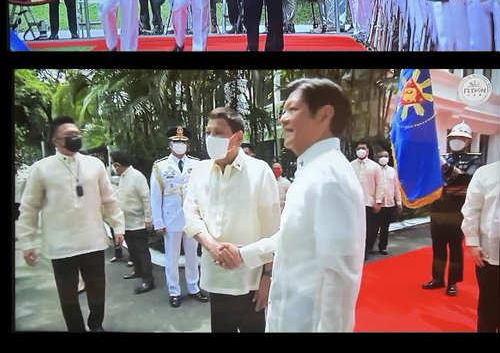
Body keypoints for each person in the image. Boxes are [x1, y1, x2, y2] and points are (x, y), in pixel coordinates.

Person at [218, 78, 366, 332]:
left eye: (292, 110)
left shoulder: (330, 177)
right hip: (289, 315)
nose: (282, 119)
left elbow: (340, 279)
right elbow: (292, 238)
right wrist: (244, 255)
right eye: (283, 111)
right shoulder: (311, 170)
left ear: (324, 115)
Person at [17, 115, 125, 333]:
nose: (75, 138)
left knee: (97, 289)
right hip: (61, 246)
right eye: (69, 136)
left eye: (77, 134)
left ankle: (96, 323)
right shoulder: (41, 169)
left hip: (92, 241)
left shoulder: (94, 165)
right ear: (55, 141)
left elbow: (109, 199)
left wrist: (118, 226)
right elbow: (29, 208)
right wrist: (27, 241)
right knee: (68, 295)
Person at [183, 106, 280, 332]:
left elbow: (273, 231)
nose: (211, 138)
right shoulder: (199, 170)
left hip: (249, 279)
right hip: (214, 275)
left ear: (237, 138)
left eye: (218, 133)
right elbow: (190, 212)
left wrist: (267, 276)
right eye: (208, 132)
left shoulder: (259, 172)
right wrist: (211, 245)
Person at [423, 121, 483, 296]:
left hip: (457, 211)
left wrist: (445, 167)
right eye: (453, 138)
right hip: (438, 209)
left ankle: (453, 282)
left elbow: (464, 179)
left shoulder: (475, 160)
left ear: (468, 141)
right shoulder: (444, 158)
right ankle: (438, 278)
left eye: (460, 138)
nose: (456, 141)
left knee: (455, 247)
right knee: (438, 246)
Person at [150, 125, 208, 307]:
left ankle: (194, 288)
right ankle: (174, 291)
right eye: (176, 142)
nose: (180, 145)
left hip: (192, 218)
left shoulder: (197, 164)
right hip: (170, 218)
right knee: (172, 257)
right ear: (170, 144)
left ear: (188, 145)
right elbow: (155, 195)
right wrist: (158, 221)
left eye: (183, 142)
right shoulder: (160, 166)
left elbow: (203, 193)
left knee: (192, 255)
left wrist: (204, 217)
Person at [461, 160, 500, 332]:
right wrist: (472, 240)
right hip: (490, 253)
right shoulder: (486, 172)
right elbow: (472, 209)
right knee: (488, 306)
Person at [110, 151, 155, 295]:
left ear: (118, 165)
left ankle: (148, 279)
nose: (113, 167)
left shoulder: (136, 176)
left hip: (138, 222)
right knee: (132, 249)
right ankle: (138, 270)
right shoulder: (123, 177)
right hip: (126, 222)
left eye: (113, 164)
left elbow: (146, 199)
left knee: (142, 251)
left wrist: (148, 218)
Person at [350, 140, 383, 257]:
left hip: (369, 202)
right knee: (355, 229)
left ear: (368, 151)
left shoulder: (375, 166)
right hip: (354, 203)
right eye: (359, 149)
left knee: (368, 229)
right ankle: (356, 252)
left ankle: (365, 251)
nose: (361, 151)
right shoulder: (350, 165)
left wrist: (378, 201)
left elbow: (380, 184)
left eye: (363, 148)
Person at [369, 149, 402, 254]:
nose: (384, 158)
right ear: (377, 158)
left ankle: (382, 247)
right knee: (373, 227)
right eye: (381, 156)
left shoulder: (392, 171)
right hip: (376, 204)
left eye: (386, 156)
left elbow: (396, 187)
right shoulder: (373, 170)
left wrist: (399, 201)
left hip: (389, 204)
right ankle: (369, 247)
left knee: (385, 227)